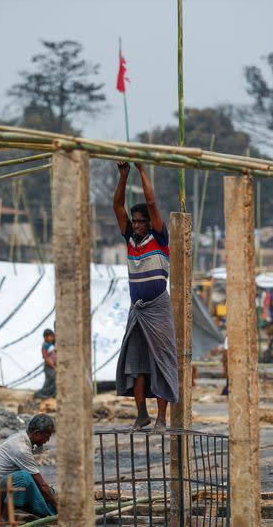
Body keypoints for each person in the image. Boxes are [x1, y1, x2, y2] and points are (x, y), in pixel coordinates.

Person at [112, 161, 179, 432]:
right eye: (135, 221)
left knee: (161, 361)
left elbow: (151, 203)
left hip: (158, 306)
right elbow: (117, 207)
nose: (137, 225)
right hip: (137, 309)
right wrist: (123, 176)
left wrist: (141, 171)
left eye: (141, 222)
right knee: (135, 363)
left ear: (149, 223)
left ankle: (162, 418)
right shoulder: (130, 238)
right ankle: (142, 415)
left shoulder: (159, 237)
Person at [0, 414, 58, 518]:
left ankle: (1, 508)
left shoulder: (22, 437)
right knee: (23, 478)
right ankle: (4, 517)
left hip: (0, 484)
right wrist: (57, 505)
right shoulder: (21, 449)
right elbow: (42, 484)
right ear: (37, 433)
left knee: (46, 491)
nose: (47, 440)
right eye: (47, 437)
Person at [34, 329, 57, 399]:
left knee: (49, 382)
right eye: (51, 336)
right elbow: (46, 359)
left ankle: (50, 395)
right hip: (49, 367)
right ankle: (40, 394)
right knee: (53, 379)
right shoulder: (45, 346)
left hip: (52, 366)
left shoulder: (52, 344)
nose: (52, 338)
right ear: (46, 337)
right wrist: (53, 366)